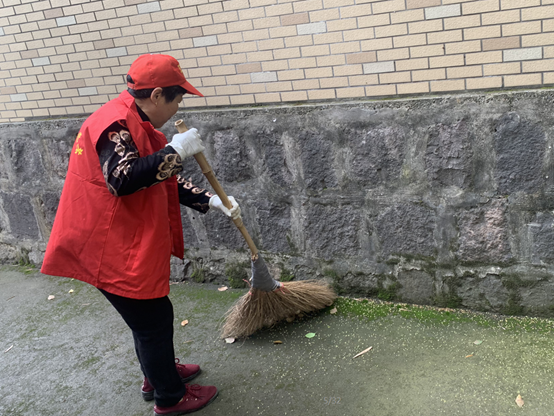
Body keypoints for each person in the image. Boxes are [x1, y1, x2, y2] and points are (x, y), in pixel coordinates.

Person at [41, 54, 239, 415]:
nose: (179, 106)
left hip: (117, 237)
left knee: (148, 319)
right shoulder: (114, 124)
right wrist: (175, 150)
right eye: (178, 99)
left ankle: (158, 373)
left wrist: (209, 200)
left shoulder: (135, 121)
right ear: (159, 94)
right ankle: (169, 396)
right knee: (153, 321)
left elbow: (158, 173)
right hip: (105, 244)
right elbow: (123, 178)